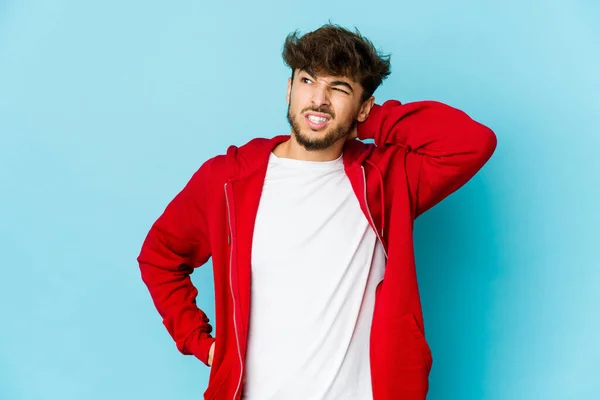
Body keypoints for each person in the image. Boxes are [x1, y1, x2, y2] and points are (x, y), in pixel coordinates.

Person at [137, 23, 497, 400]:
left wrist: (366, 120)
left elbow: (472, 142)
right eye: (308, 81)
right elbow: (160, 257)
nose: (319, 99)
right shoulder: (228, 179)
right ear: (290, 88)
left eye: (339, 88)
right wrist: (202, 343)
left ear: (363, 104)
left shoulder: (387, 179)